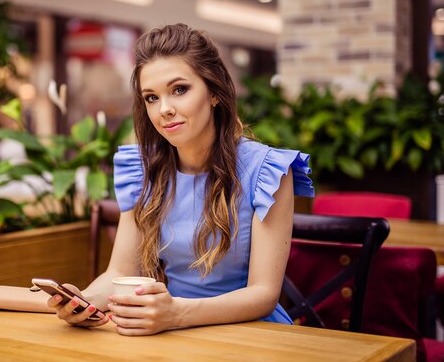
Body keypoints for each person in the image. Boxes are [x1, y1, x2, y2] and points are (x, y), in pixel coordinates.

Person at [46, 23, 314, 336]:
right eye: (151, 97)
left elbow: (263, 294)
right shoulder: (144, 170)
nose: (165, 110)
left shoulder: (268, 171)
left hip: (251, 336)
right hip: (171, 333)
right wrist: (85, 302)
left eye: (180, 90)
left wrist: (177, 314)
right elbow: (120, 271)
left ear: (214, 92)